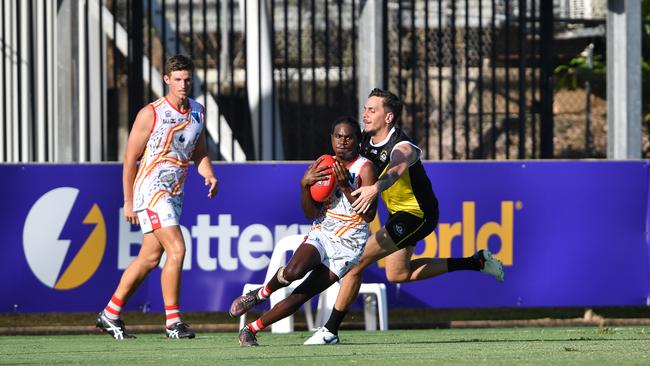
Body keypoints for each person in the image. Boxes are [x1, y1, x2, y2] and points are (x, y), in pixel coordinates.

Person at [303, 88, 504, 345]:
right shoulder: (363, 141)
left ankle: (330, 331)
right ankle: (474, 262)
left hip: (418, 214)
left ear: (388, 118)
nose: (365, 114)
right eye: (365, 109)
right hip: (398, 215)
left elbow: (397, 168)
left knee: (356, 261)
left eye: (372, 110)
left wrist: (375, 188)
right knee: (397, 275)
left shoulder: (403, 145)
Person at [95, 55, 218, 340]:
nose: (183, 85)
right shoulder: (151, 113)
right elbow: (129, 158)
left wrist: (209, 175)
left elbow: (198, 152)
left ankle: (110, 314)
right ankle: (173, 322)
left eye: (187, 80)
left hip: (175, 191)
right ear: (167, 80)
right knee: (177, 249)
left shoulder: (198, 112)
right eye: (177, 80)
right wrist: (128, 201)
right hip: (151, 189)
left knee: (149, 258)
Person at [228, 117, 378, 347]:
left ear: (357, 140)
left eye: (349, 137)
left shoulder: (365, 169)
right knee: (293, 271)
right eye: (338, 136)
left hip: (349, 245)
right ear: (331, 139)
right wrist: (304, 185)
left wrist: (346, 186)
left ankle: (251, 330)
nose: (343, 142)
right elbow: (310, 213)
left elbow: (369, 216)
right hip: (324, 231)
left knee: (303, 293)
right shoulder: (323, 165)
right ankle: (260, 295)